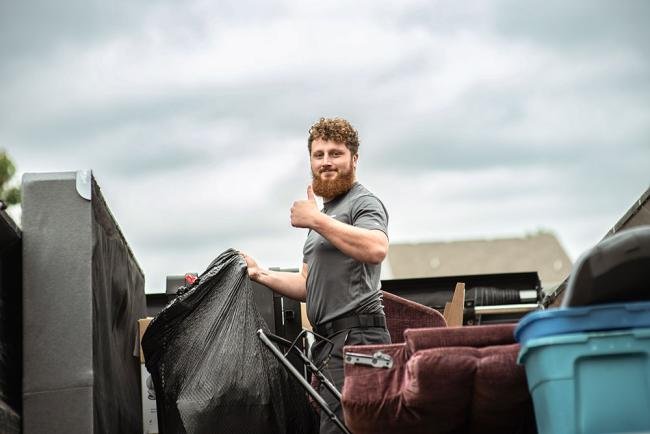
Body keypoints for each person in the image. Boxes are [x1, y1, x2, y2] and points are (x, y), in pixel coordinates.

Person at [241, 117, 391, 433]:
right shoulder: (323, 217)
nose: (326, 162)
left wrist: (316, 221)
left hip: (358, 343)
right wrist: (260, 273)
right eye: (318, 154)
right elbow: (309, 286)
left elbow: (377, 248)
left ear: (354, 159)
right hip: (328, 344)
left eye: (335, 153)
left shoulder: (363, 202)